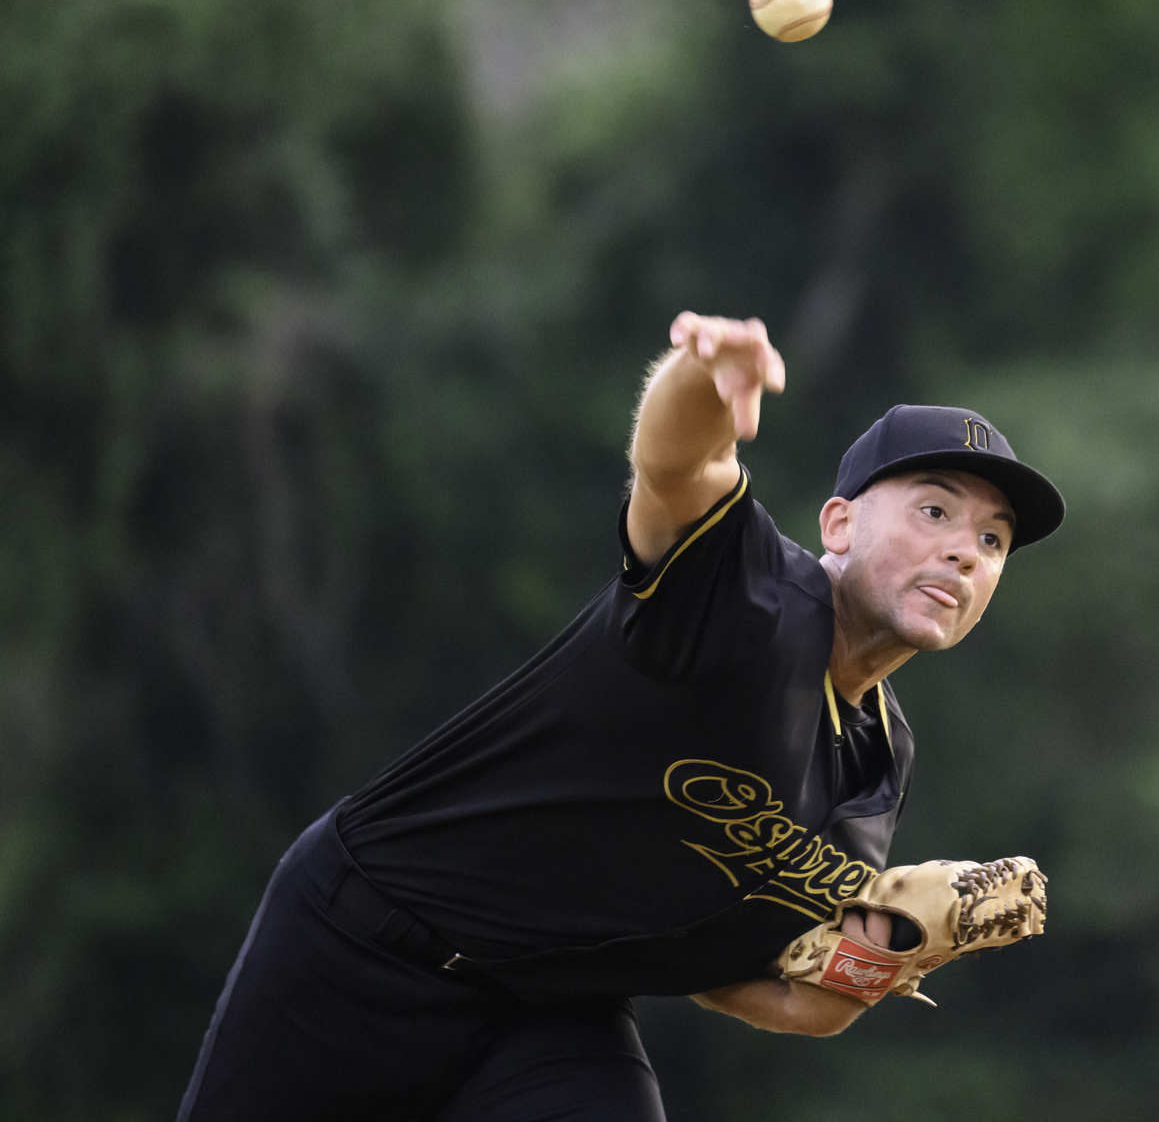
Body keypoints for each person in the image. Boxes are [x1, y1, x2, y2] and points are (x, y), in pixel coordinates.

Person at [176, 312, 1064, 1122]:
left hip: (549, 1012)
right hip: (361, 950)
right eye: (935, 508)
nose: (963, 548)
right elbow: (677, 468)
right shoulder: (745, 602)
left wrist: (885, 955)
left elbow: (780, 996)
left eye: (992, 540)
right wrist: (703, 376)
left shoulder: (876, 769)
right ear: (837, 524)